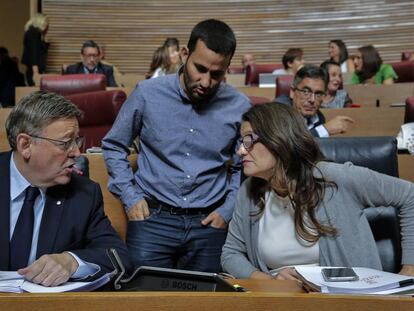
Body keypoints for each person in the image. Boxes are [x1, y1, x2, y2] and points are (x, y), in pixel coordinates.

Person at [102, 19, 250, 273]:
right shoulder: (148, 93)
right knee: (144, 298)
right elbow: (114, 145)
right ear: (184, 54)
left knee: (206, 302)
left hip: (209, 223)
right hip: (152, 219)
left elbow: (242, 166)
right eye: (200, 69)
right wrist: (130, 196)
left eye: (217, 74)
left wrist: (227, 210)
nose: (206, 81)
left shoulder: (239, 106)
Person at [221, 103, 414, 280]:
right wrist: (266, 280)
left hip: (344, 299)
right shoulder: (249, 191)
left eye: (249, 140)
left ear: (278, 139)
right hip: (279, 300)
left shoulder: (336, 178)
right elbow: (231, 253)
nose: (241, 151)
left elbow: (409, 195)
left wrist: (409, 270)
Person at [1, 91, 131, 286]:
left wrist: (72, 262)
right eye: (65, 143)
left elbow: (119, 257)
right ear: (25, 144)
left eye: (77, 140)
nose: (77, 152)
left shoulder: (84, 194)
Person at [274, 65, 354, 137]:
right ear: (292, 92)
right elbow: (287, 144)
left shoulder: (319, 118)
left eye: (318, 94)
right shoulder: (277, 110)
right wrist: (324, 130)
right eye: (305, 92)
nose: (312, 100)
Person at [21, 13, 49, 86]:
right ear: (40, 21)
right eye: (46, 21)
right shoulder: (34, 33)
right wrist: (36, 72)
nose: (47, 24)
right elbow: (34, 53)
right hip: (34, 71)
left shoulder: (32, 32)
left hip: (33, 70)